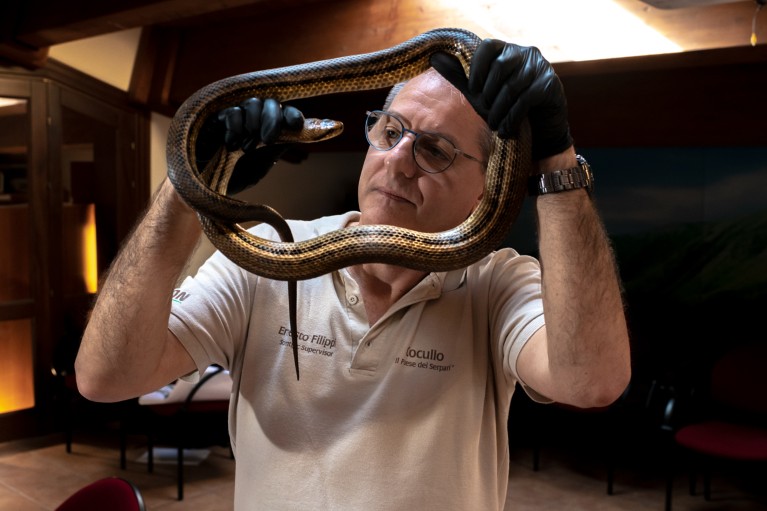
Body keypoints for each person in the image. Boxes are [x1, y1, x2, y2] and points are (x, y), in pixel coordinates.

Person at [75, 37, 630, 510]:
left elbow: (592, 384)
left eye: (434, 149)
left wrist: (557, 161)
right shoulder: (268, 253)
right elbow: (106, 378)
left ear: (488, 185)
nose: (398, 159)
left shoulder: (498, 284)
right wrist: (187, 185)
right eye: (391, 131)